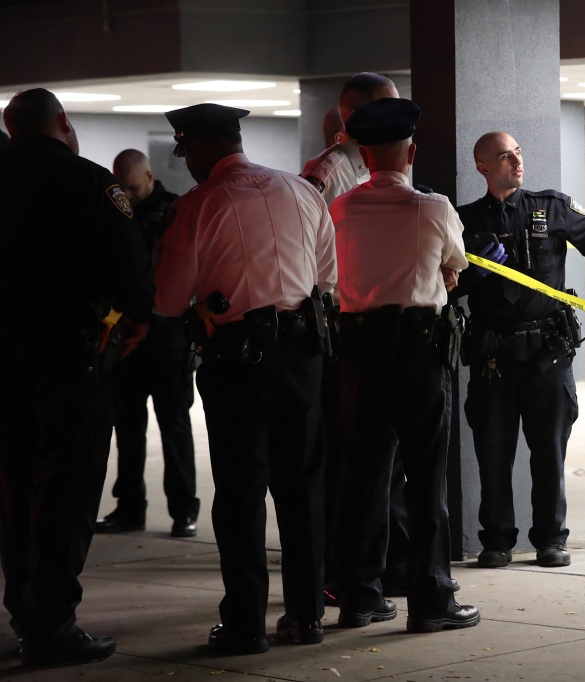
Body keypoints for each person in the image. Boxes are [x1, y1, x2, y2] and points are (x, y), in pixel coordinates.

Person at [153, 103, 337, 653]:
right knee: (303, 487)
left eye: (187, 152)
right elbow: (328, 277)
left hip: (238, 363)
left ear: (203, 148)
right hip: (304, 354)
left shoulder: (199, 205)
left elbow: (167, 298)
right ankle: (306, 617)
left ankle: (245, 625)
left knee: (240, 491)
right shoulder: (302, 192)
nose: (187, 163)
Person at [455, 132, 585, 569]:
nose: (516, 161)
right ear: (482, 167)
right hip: (495, 358)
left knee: (549, 451)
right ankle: (496, 540)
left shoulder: (550, 208)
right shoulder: (464, 221)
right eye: (504, 156)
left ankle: (551, 538)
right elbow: (446, 287)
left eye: (518, 153)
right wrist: (477, 274)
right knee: (494, 454)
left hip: (546, 355)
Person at [0, 88, 153, 667]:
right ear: (63, 122)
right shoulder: (93, 184)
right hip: (69, 357)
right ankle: (53, 624)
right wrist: (138, 318)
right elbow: (132, 269)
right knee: (66, 486)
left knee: (13, 486)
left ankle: (23, 609)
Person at [328, 97, 478, 632]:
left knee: (363, 479)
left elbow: (326, 279)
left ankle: (359, 596)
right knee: (425, 481)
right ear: (411, 151)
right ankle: (431, 599)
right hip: (418, 356)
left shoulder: (339, 210)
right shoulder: (433, 208)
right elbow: (454, 267)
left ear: (364, 154)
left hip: (359, 355)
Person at [303, 72, 413, 603]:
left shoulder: (374, 166)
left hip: (380, 331)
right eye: (384, 109)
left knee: (384, 465)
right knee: (350, 465)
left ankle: (388, 563)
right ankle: (343, 574)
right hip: (344, 331)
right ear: (352, 118)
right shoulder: (329, 172)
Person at [96, 149, 200, 538]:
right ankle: (129, 508)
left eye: (133, 186)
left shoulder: (175, 211)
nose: (127, 193)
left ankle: (184, 511)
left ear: (151, 175)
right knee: (127, 424)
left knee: (174, 425)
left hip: (168, 331)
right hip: (126, 332)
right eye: (120, 186)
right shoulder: (117, 210)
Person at [301, 73, 399, 205]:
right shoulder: (327, 176)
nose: (397, 119)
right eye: (388, 110)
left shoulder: (376, 166)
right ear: (359, 117)